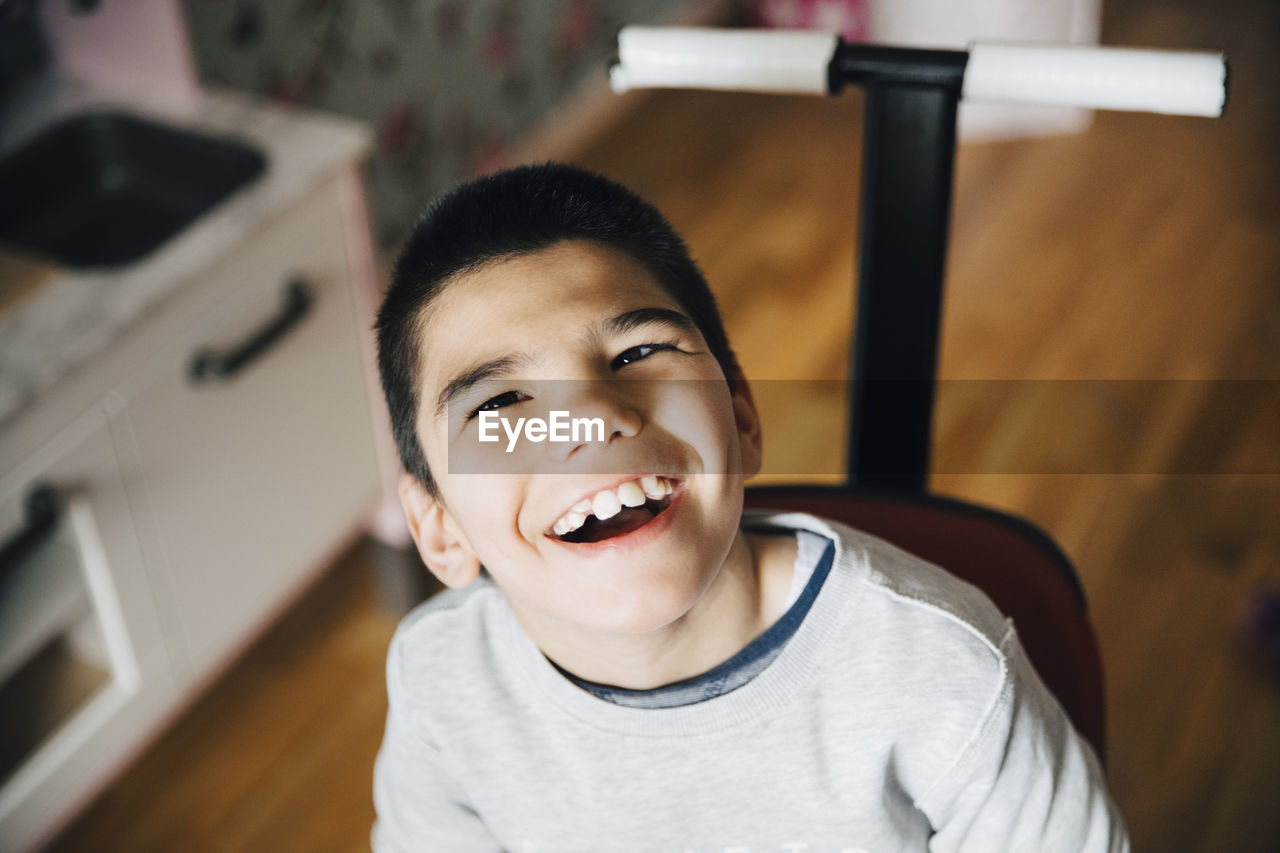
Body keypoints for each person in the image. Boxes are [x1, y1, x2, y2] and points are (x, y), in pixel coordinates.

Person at [371, 162, 1128, 852]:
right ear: (438, 528)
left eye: (636, 355)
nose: (595, 420)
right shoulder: (439, 677)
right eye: (502, 403)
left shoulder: (946, 677)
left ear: (741, 420)